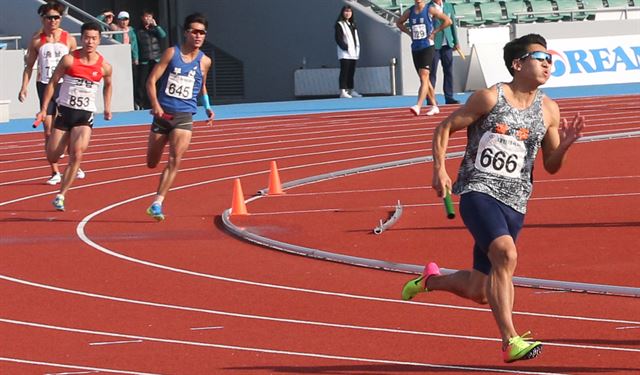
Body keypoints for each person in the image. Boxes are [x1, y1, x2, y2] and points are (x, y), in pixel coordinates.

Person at [401, 34, 585, 363]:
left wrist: (566, 145)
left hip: (515, 203)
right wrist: (439, 170)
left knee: (480, 290)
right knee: (506, 253)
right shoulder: (490, 98)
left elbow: (552, 166)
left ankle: (430, 280)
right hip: (477, 190)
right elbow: (443, 128)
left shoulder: (549, 109)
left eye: (550, 59)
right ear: (517, 64)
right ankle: (509, 340)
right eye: (539, 56)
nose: (547, 63)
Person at [35, 22, 113, 212]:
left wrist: (107, 107)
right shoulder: (69, 60)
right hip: (64, 113)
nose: (90, 41)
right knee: (52, 154)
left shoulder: (104, 66)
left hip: (84, 116)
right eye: (87, 37)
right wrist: (44, 108)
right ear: (82, 38)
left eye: (94, 38)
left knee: (77, 153)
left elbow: (108, 85)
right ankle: (64, 142)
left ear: (99, 40)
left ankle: (61, 195)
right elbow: (53, 83)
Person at [144, 13, 214, 221]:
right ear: (186, 33)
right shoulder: (171, 53)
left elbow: (202, 85)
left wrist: (208, 107)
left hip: (184, 115)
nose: (198, 36)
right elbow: (151, 81)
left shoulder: (205, 61)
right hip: (163, 113)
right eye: (194, 31)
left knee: (175, 159)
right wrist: (155, 105)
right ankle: (157, 196)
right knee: (151, 162)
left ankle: (157, 202)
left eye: (202, 32)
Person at [18, 0, 80, 185]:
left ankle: (73, 163)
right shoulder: (37, 41)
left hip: (64, 85)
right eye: (49, 18)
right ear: (43, 19)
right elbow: (29, 66)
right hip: (44, 86)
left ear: (60, 19)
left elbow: (77, 64)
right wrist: (23, 87)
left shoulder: (69, 39)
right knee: (47, 129)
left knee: (67, 127)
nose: (53, 21)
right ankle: (54, 172)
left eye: (56, 17)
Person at [396, 0, 452, 116]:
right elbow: (399, 23)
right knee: (424, 79)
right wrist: (409, 33)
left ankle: (418, 105)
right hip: (416, 47)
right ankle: (434, 106)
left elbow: (448, 21)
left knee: (424, 75)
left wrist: (435, 32)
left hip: (428, 46)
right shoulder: (410, 11)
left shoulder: (429, 9)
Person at [429, 0, 460, 105]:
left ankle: (449, 96)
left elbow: (453, 24)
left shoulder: (448, 6)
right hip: (434, 44)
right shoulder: (428, 7)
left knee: (448, 71)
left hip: (447, 44)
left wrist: (456, 41)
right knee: (432, 72)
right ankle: (430, 98)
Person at [136, 10, 167, 109]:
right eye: (146, 17)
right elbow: (135, 45)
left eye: (150, 17)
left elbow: (163, 35)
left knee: (157, 82)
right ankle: (140, 103)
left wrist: (156, 26)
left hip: (156, 59)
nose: (148, 19)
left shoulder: (155, 30)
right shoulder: (138, 30)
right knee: (142, 82)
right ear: (142, 18)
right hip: (144, 60)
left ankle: (158, 102)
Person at [113, 11, 139, 108]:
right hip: (119, 58)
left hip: (130, 59)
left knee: (133, 81)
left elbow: (134, 45)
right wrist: (105, 15)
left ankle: (134, 102)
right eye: (122, 20)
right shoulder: (114, 29)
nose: (124, 22)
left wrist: (135, 57)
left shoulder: (131, 31)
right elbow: (99, 23)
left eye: (126, 19)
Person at [334, 5, 361, 99]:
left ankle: (351, 90)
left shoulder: (353, 24)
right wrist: (345, 47)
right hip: (344, 53)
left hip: (353, 53)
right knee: (344, 72)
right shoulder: (339, 24)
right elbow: (338, 38)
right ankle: (342, 91)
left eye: (349, 11)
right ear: (342, 12)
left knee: (351, 72)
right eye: (346, 11)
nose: (348, 13)